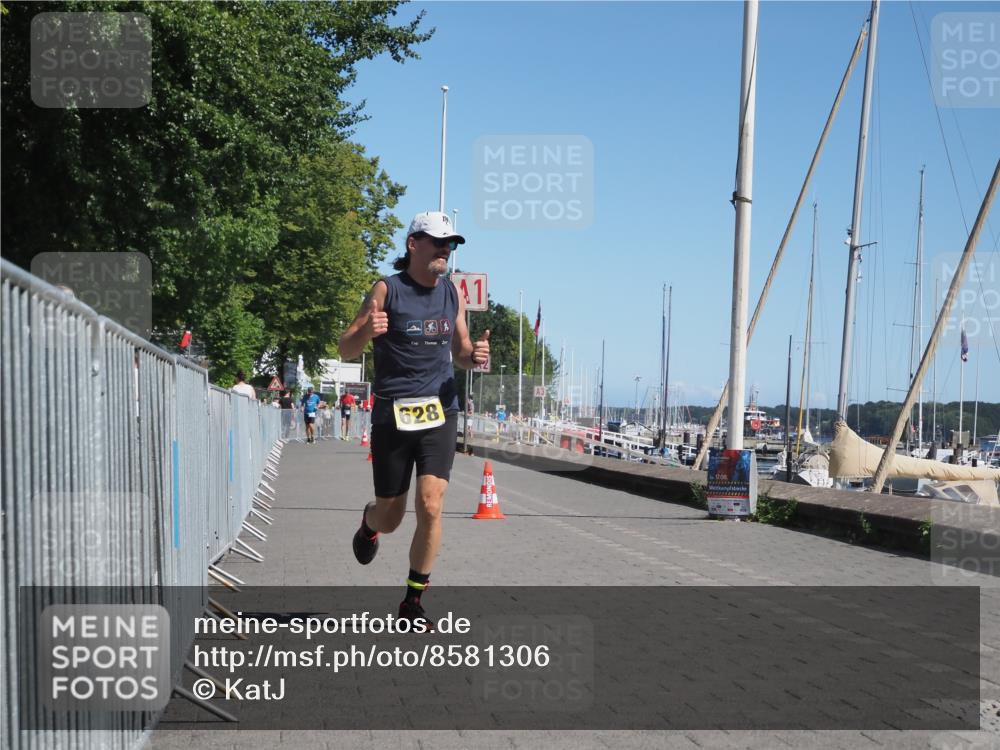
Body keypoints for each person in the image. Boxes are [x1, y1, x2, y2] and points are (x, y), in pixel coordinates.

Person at [339, 211, 490, 629]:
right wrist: (367, 331)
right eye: (438, 242)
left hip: (440, 409)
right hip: (393, 413)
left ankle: (412, 601)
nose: (446, 250)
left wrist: (472, 358)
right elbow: (345, 349)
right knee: (392, 515)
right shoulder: (388, 289)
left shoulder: (452, 295)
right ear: (413, 245)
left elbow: (459, 352)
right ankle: (369, 523)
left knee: (431, 503)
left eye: (451, 244)